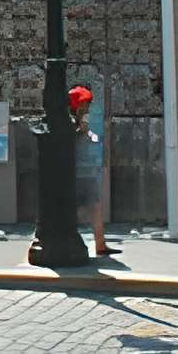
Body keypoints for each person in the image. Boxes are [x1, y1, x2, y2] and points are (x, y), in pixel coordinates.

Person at [68, 84, 113, 256]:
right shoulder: (72, 120)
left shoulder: (81, 118)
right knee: (81, 208)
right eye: (84, 104)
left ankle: (100, 243)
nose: (87, 107)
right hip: (77, 171)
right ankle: (96, 243)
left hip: (86, 169)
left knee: (95, 205)